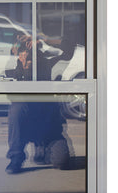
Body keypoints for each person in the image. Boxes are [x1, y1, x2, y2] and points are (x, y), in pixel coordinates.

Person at [4, 36, 72, 174]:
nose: (26, 60)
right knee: (16, 109)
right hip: (25, 127)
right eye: (22, 57)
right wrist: (18, 48)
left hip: (48, 125)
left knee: (62, 161)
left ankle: (42, 147)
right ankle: (16, 157)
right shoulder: (13, 72)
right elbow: (10, 95)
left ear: (37, 58)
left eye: (29, 58)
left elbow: (69, 51)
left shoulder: (47, 66)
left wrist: (44, 40)